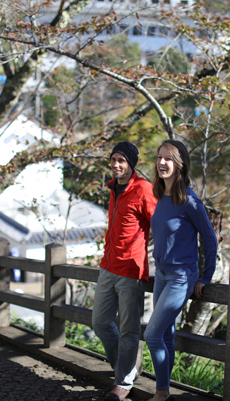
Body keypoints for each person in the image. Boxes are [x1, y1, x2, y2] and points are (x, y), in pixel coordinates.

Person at [144, 140, 218, 401]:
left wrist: (205, 276)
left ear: (180, 165)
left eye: (169, 159)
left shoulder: (189, 200)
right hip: (161, 274)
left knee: (152, 335)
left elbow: (210, 239)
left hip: (181, 277)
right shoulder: (159, 195)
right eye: (159, 157)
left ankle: (161, 392)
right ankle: (166, 388)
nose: (162, 162)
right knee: (166, 333)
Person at [92, 141, 157, 401]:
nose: (116, 165)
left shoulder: (143, 189)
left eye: (122, 160)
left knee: (129, 330)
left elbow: (160, 225)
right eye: (114, 160)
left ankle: (123, 382)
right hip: (108, 268)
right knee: (99, 322)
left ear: (131, 164)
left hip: (131, 270)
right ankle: (125, 369)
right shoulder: (113, 189)